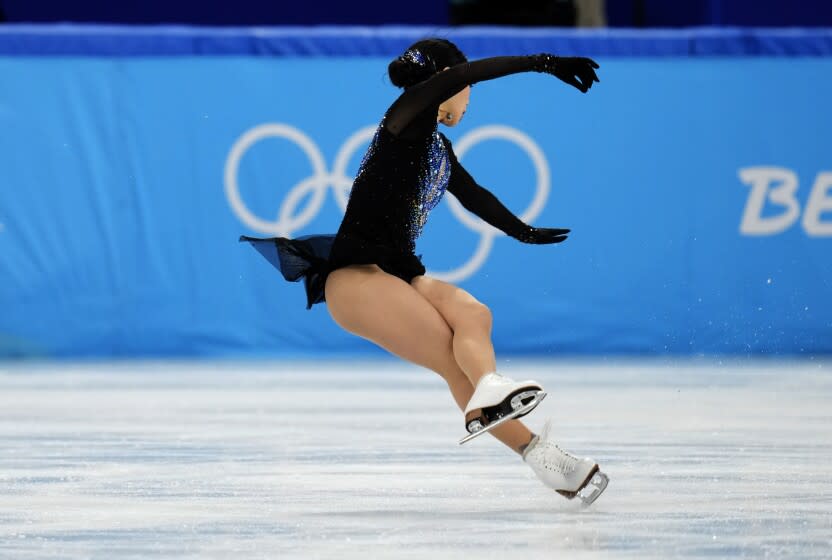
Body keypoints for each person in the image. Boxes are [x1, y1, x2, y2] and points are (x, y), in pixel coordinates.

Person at [241, 38, 608, 505]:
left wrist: (522, 231)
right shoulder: (406, 118)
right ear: (445, 84)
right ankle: (533, 447)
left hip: (397, 275)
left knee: (473, 314)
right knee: (449, 357)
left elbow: (474, 195)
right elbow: (456, 78)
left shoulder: (436, 149)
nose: (469, 94)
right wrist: (543, 62)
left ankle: (496, 395)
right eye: (466, 86)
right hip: (356, 278)